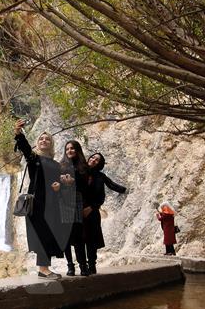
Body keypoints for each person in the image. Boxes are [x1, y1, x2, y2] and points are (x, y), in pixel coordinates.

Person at [14, 119, 65, 279]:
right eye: (41, 139)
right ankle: (43, 269)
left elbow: (58, 184)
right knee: (43, 235)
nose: (44, 140)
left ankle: (44, 269)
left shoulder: (56, 165)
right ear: (38, 143)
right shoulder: (34, 158)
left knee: (49, 235)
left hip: (52, 204)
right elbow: (25, 147)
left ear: (51, 144)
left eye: (47, 139)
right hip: (36, 203)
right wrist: (18, 133)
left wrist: (59, 186)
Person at [82, 151, 127, 274]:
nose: (93, 160)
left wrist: (91, 208)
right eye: (93, 157)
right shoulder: (80, 172)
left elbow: (107, 189)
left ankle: (92, 264)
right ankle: (82, 265)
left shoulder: (100, 177)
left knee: (91, 239)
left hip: (92, 211)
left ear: (99, 164)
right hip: (78, 210)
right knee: (80, 239)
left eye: (97, 160)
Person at [59, 140, 90, 276]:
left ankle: (83, 265)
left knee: (78, 235)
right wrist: (61, 183)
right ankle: (70, 266)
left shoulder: (83, 166)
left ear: (77, 150)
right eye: (67, 149)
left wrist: (73, 181)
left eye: (72, 148)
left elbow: (85, 187)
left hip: (77, 201)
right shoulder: (61, 166)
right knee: (65, 236)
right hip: (63, 201)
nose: (69, 151)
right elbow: (55, 185)